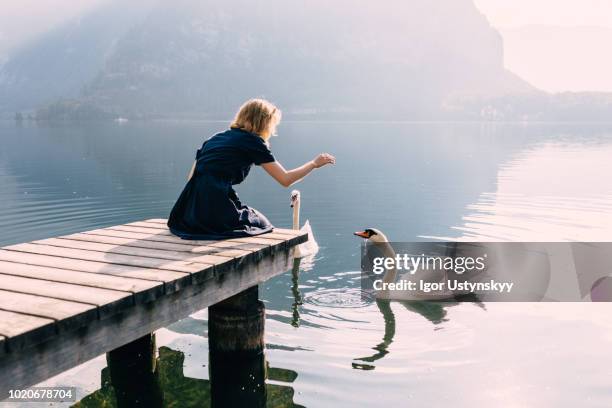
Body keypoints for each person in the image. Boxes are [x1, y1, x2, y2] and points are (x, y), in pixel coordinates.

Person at [168, 98, 335, 239]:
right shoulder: (253, 142)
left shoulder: (215, 138)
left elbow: (191, 178)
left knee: (250, 216)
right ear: (263, 122)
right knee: (261, 223)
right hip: (213, 209)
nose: (272, 128)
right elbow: (286, 180)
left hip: (186, 211)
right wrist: (313, 164)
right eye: (272, 123)